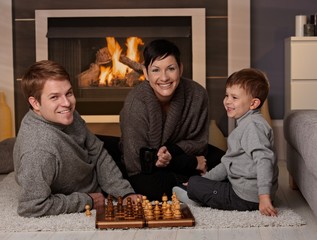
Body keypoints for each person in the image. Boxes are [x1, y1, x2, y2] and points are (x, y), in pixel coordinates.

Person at [13, 60, 140, 218]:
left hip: (90, 164)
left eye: (69, 93)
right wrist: (86, 200)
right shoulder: (38, 152)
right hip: (85, 179)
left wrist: (124, 193)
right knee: (155, 183)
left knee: (138, 150)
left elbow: (97, 152)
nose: (67, 103)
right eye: (54, 97)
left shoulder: (62, 112)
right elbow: (30, 206)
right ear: (35, 103)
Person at [119, 39, 225, 200]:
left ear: (180, 69)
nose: (164, 78)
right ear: (146, 73)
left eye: (171, 69)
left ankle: (192, 185)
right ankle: (198, 185)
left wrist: (171, 153)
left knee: (228, 163)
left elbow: (199, 144)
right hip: (148, 168)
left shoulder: (197, 94)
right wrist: (191, 163)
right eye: (155, 70)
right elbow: (136, 165)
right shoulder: (136, 102)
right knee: (147, 186)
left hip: (177, 155)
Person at [174, 68, 279, 216]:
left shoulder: (252, 127)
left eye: (234, 97)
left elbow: (264, 160)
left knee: (195, 184)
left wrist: (264, 196)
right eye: (226, 95)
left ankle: (195, 197)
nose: (227, 101)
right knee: (199, 181)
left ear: (253, 103)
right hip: (247, 190)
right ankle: (199, 187)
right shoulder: (247, 123)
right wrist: (206, 180)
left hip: (246, 197)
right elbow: (227, 163)